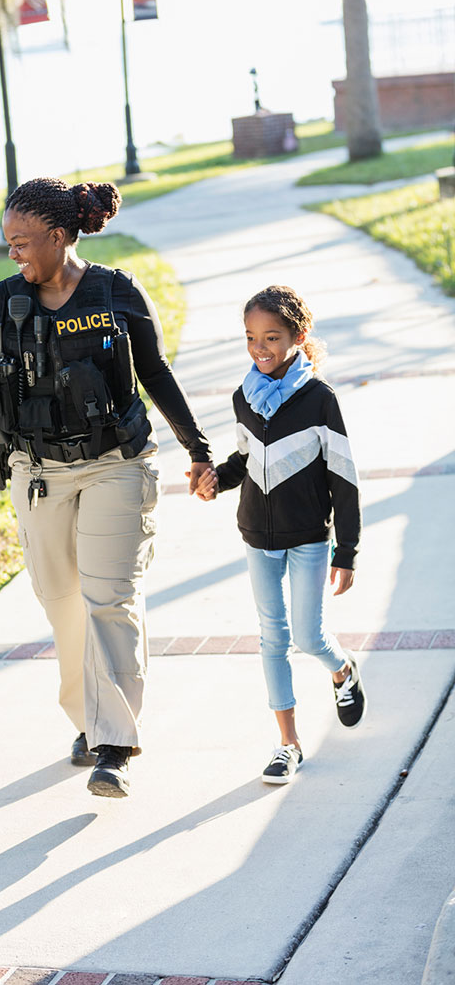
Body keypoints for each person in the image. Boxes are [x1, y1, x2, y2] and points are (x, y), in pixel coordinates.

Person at [0, 177, 212, 798]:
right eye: (8, 243)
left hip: (116, 463)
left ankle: (114, 745)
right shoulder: (3, 303)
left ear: (58, 238)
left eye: (22, 242)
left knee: (109, 598)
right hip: (36, 474)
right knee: (62, 603)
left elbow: (155, 372)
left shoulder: (116, 292)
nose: (13, 254)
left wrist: (198, 449)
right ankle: (90, 719)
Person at [196, 284, 366, 784]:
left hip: (310, 537)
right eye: (251, 338)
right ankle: (287, 744)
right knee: (273, 638)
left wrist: (347, 551)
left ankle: (342, 670)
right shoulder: (243, 398)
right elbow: (246, 459)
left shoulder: (319, 400)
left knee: (309, 637)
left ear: (297, 336)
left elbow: (344, 477)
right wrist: (216, 482)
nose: (260, 349)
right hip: (257, 536)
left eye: (271, 337)